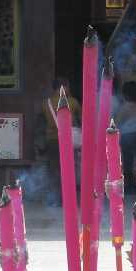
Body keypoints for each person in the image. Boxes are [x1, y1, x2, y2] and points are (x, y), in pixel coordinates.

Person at [34, 77, 79, 206]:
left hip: (52, 141)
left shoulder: (45, 103)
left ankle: (56, 199)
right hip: (70, 142)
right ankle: (70, 199)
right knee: (70, 170)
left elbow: (40, 124)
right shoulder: (73, 102)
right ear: (64, 87)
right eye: (67, 86)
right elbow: (79, 121)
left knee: (54, 171)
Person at [116, 80, 136, 186]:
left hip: (127, 136)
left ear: (125, 94)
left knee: (127, 160)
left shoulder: (125, 107)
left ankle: (129, 185)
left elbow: (117, 122)